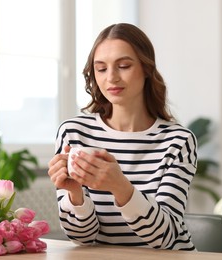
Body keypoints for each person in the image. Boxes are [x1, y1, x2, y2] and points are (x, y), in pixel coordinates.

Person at [47, 23, 197, 251]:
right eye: (101, 69)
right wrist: (75, 193)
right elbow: (82, 238)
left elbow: (165, 238)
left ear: (146, 69)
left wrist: (120, 187)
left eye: (124, 66)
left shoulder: (178, 141)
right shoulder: (73, 132)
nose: (112, 78)